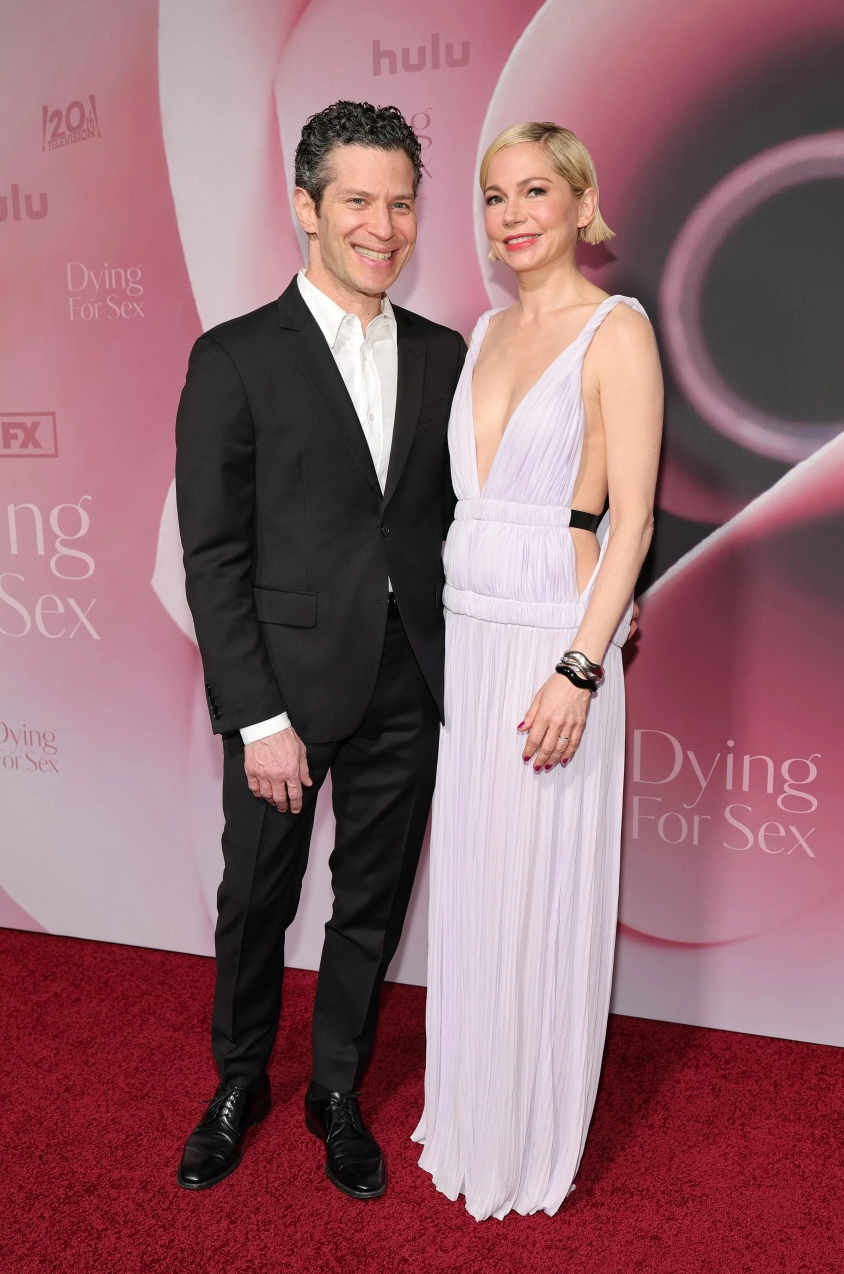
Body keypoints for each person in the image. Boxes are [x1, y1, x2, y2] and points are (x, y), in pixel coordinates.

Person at [174, 101, 466, 1199]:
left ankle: (336, 1086)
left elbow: (466, 516)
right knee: (256, 898)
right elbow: (213, 556)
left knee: (371, 900)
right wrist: (258, 718)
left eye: (401, 203)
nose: (382, 226)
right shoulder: (236, 357)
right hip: (284, 692)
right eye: (357, 201)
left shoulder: (443, 354)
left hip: (409, 678)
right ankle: (239, 1078)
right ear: (306, 207)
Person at [412, 122, 663, 1220]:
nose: (511, 214)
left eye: (533, 191)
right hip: (468, 635)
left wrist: (579, 665)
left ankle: (524, 1127)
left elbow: (633, 518)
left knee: (536, 890)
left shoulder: (618, 329)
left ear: (580, 202)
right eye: (492, 195)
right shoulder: (485, 328)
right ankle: (471, 1104)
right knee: (477, 885)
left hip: (549, 643)